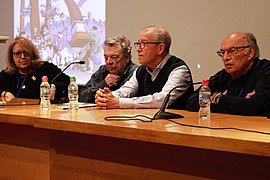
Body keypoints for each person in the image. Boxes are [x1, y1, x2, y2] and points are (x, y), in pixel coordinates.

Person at [95, 25, 194, 109]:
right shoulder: (141, 70)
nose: (138, 49)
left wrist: (119, 103)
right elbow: (126, 90)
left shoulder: (179, 70)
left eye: (144, 44)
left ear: (160, 48)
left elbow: (163, 99)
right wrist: (106, 97)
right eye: (138, 44)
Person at [187, 32, 270, 116]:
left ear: (250, 52)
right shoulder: (225, 74)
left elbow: (256, 106)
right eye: (222, 53)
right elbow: (192, 101)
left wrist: (217, 99)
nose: (225, 58)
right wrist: (233, 105)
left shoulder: (266, 70)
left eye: (232, 51)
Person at [0, 36, 70, 101]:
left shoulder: (45, 68)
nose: (23, 57)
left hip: (40, 112)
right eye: (18, 53)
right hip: (12, 113)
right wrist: (4, 94)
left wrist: (55, 87)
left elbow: (68, 82)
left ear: (32, 54)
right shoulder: (7, 74)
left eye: (26, 53)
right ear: (12, 56)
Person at [79, 35, 138, 102]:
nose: (108, 62)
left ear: (127, 57)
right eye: (106, 58)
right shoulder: (103, 70)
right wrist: (104, 84)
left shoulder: (136, 73)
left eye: (114, 57)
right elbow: (81, 96)